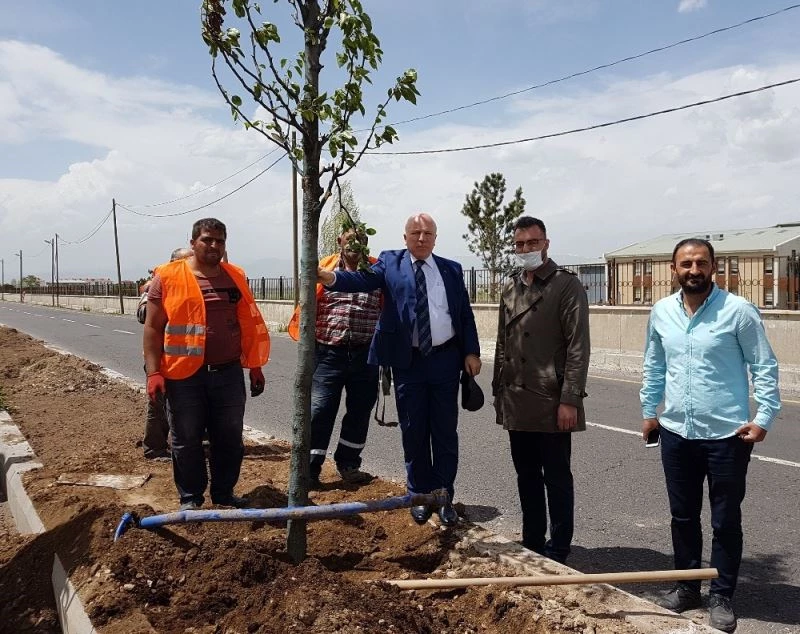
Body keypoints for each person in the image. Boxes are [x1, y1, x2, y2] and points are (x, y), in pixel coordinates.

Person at [640, 238, 781, 633]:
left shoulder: (739, 311)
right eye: (685, 264)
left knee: (724, 519)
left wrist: (765, 415)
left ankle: (721, 594)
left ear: (714, 267)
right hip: (676, 434)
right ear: (674, 269)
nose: (693, 270)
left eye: (701, 263)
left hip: (727, 436)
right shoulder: (662, 312)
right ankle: (686, 587)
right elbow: (654, 365)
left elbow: (764, 365)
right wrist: (650, 412)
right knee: (682, 516)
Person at [318, 213, 481, 527]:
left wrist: (471, 351)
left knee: (445, 432)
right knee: (414, 430)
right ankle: (418, 495)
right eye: (415, 233)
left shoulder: (451, 269)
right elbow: (362, 279)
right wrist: (329, 278)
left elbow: (464, 315)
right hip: (409, 362)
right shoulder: (389, 262)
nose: (421, 238)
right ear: (405, 237)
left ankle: (443, 494)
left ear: (435, 238)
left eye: (427, 233)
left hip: (445, 359)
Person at [143, 218, 270, 510]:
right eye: (207, 240)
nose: (214, 246)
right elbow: (152, 327)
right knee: (186, 439)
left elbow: (247, 324)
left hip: (227, 373)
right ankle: (191, 498)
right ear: (193, 243)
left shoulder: (235, 276)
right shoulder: (168, 277)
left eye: (220, 241)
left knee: (229, 438)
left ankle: (224, 494)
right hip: (183, 376)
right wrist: (154, 373)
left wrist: (255, 367)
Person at [492, 216, 590, 564]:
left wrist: (570, 399)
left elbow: (578, 347)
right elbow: (504, 343)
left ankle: (559, 547)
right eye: (519, 245)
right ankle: (533, 541)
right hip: (517, 398)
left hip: (551, 398)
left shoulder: (566, 286)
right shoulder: (511, 287)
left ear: (545, 243)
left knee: (557, 477)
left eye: (532, 243)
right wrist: (498, 393)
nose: (525, 250)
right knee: (526, 475)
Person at [288, 226, 381, 488]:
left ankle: (349, 464)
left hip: (366, 357)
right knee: (320, 411)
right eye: (351, 239)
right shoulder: (323, 270)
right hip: (328, 355)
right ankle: (310, 469)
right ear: (340, 240)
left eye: (362, 239)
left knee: (360, 412)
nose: (356, 243)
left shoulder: (376, 272)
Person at [138, 247, 192, 460]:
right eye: (185, 261)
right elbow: (143, 315)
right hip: (160, 359)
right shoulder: (158, 284)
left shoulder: (188, 285)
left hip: (185, 359)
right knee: (159, 406)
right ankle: (154, 447)